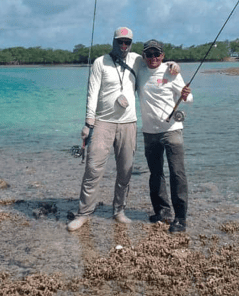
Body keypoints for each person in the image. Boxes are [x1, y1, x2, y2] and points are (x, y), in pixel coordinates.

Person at [67, 28, 179, 232]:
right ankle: (84, 213)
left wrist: (173, 65)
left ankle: (119, 210)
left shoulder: (137, 59)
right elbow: (92, 93)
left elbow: (157, 66)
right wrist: (88, 123)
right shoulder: (100, 62)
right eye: (120, 42)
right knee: (93, 168)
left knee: (125, 171)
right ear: (113, 41)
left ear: (131, 43)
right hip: (102, 122)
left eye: (127, 42)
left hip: (129, 123)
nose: (123, 46)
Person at [137, 39, 193, 233]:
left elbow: (189, 98)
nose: (153, 58)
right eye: (149, 54)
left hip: (172, 130)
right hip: (149, 132)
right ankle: (162, 211)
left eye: (157, 54)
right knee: (156, 174)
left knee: (177, 173)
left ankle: (180, 218)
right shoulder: (140, 71)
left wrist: (185, 95)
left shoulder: (171, 72)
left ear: (162, 55)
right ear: (144, 56)